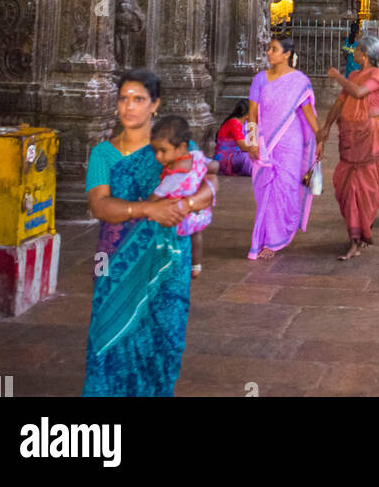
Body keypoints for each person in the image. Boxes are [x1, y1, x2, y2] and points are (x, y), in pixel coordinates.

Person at [83, 69, 216, 397]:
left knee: (163, 342)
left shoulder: (173, 146)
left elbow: (210, 186)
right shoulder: (103, 153)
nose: (129, 106)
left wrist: (187, 202)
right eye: (123, 99)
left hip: (167, 261)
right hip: (115, 261)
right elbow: (100, 206)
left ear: (154, 105)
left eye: (138, 99)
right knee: (108, 338)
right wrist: (147, 209)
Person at [246, 35, 320, 260]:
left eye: (274, 49)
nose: (269, 53)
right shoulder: (260, 79)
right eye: (269, 49)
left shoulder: (299, 81)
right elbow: (252, 114)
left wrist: (321, 138)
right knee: (264, 189)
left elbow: (308, 114)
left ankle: (275, 239)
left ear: (287, 54)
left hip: (290, 143)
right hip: (265, 141)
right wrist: (252, 141)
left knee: (284, 189)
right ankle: (268, 235)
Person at [318, 34, 379, 260]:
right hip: (350, 137)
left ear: (365, 54)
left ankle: (357, 238)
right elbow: (340, 102)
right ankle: (356, 234)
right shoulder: (354, 74)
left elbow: (359, 92)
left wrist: (337, 76)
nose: (353, 52)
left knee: (364, 188)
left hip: (369, 137)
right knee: (345, 186)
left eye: (357, 49)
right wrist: (326, 127)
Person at [150, 114, 214, 277]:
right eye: (156, 151)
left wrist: (145, 204)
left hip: (180, 216)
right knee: (196, 235)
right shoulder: (197, 157)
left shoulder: (175, 175)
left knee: (172, 240)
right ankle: (196, 265)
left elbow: (156, 196)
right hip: (199, 212)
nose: (158, 156)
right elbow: (213, 166)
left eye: (163, 151)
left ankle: (171, 266)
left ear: (181, 147)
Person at [213, 99, 253, 176]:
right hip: (225, 159)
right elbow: (243, 146)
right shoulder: (234, 122)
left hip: (237, 155)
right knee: (248, 157)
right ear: (247, 114)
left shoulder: (244, 123)